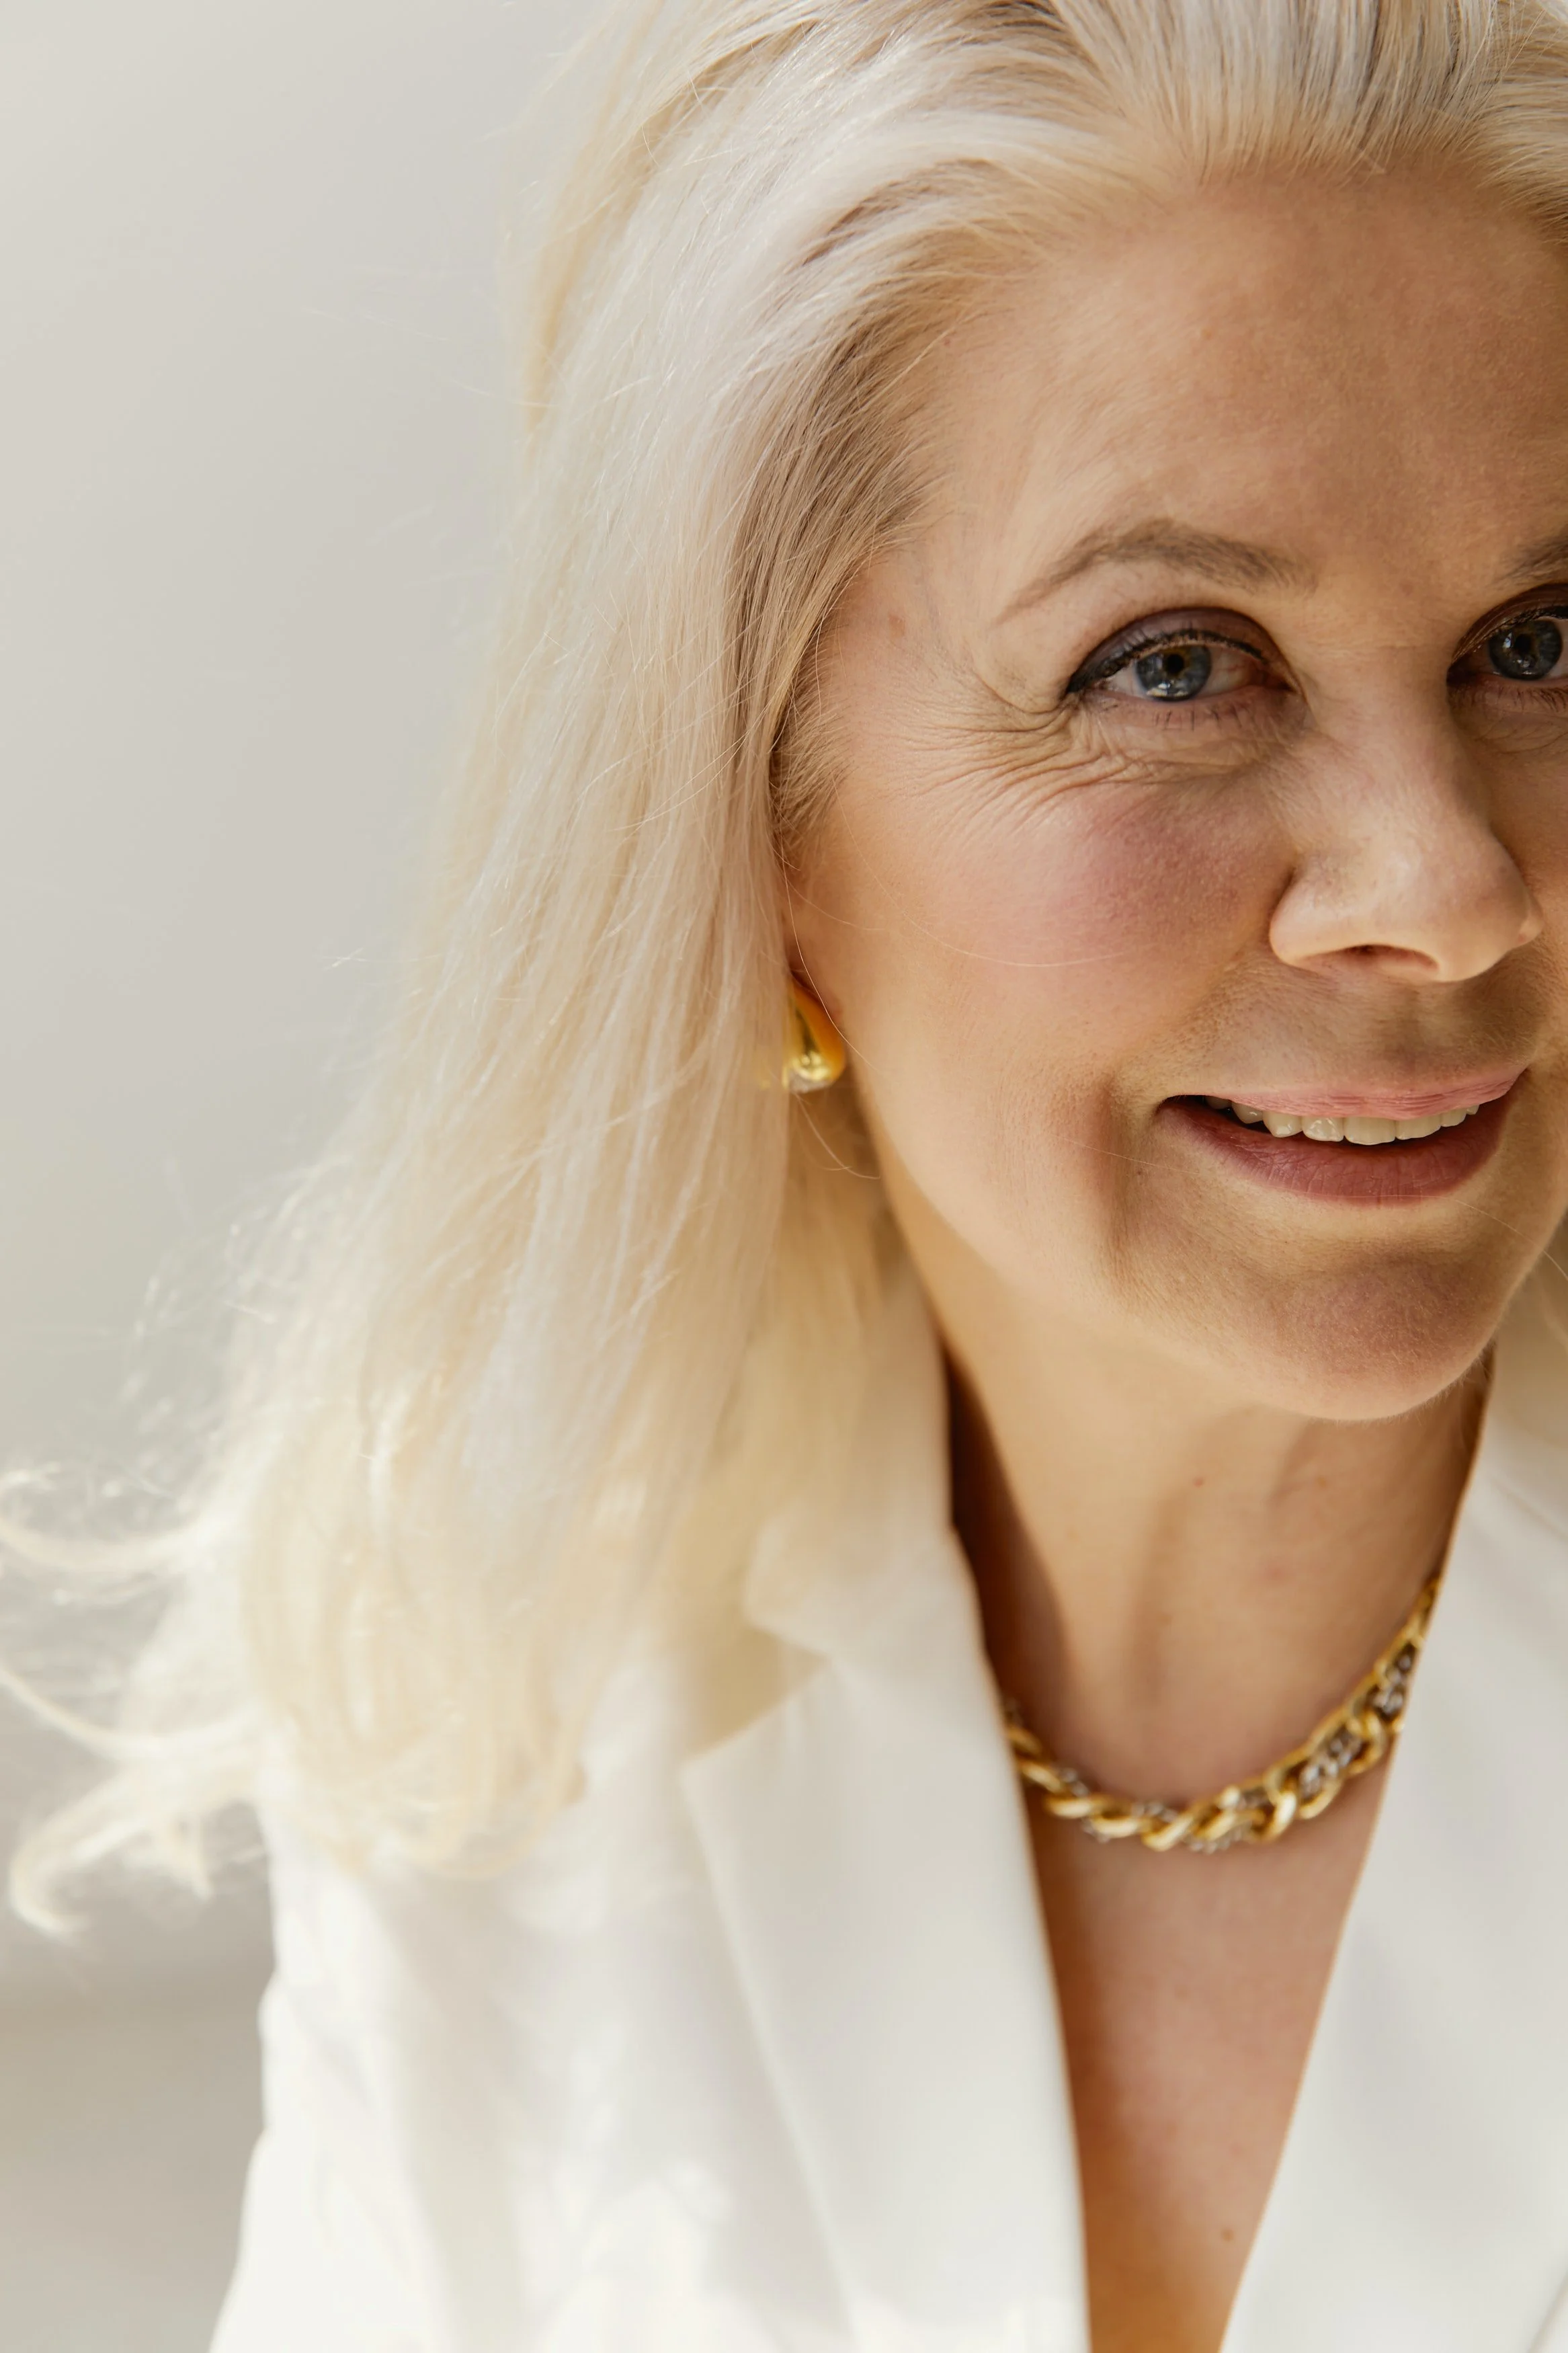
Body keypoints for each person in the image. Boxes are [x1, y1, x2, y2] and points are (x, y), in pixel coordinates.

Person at [22, 0, 1568, 2346]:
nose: (1442, 884)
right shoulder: (519, 1715)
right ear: (746, 827)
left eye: (1539, 643)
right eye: (1173, 665)